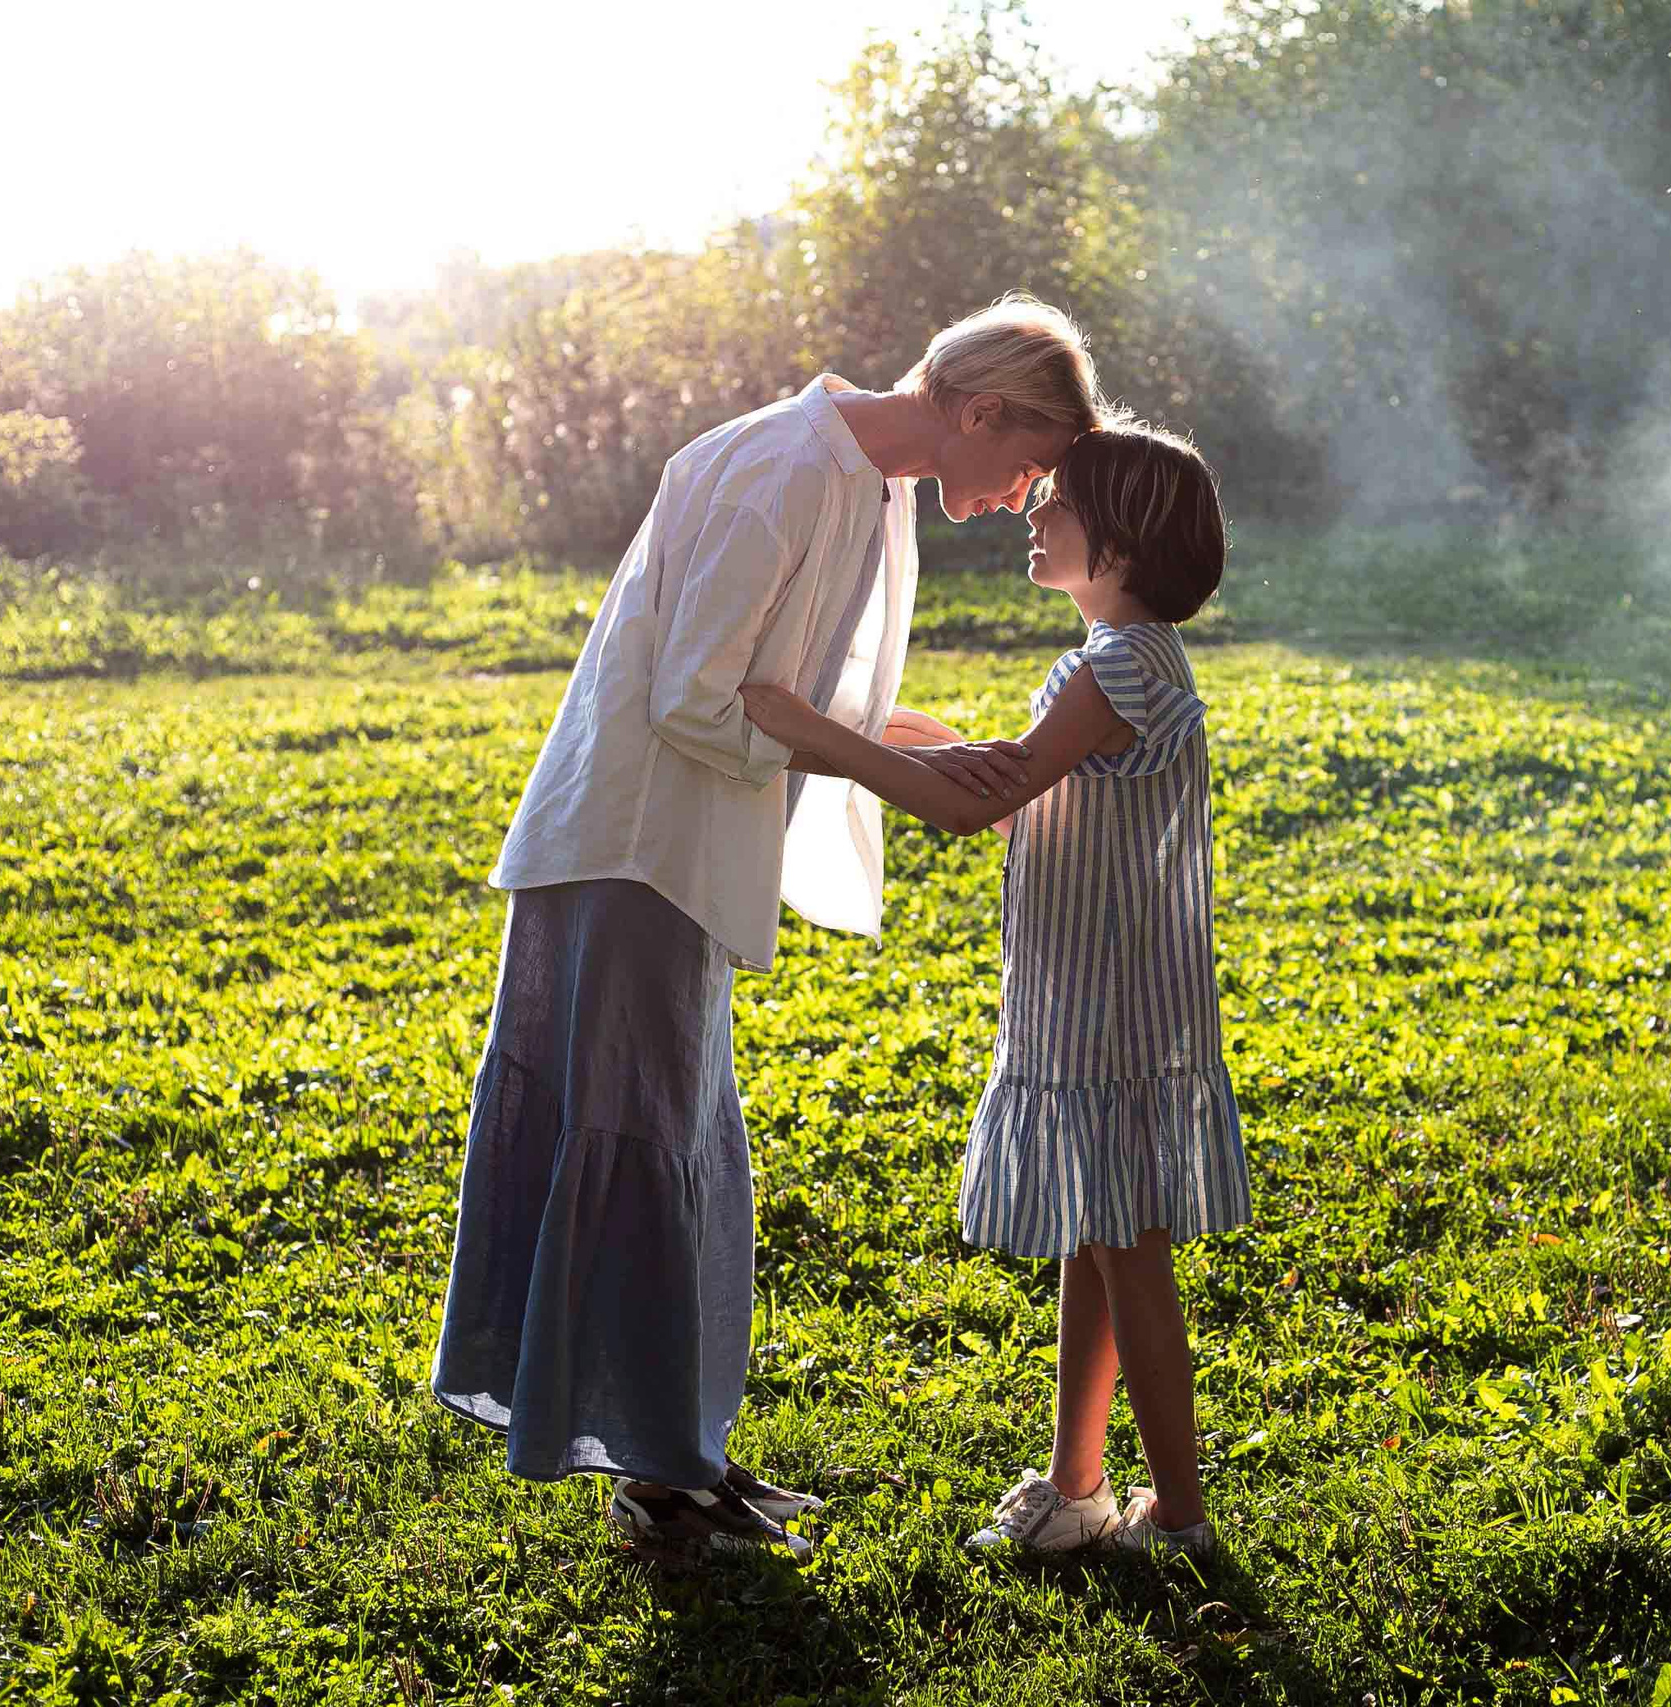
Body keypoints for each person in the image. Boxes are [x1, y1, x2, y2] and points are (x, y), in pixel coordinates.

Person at [429, 295, 1111, 1567]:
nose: (1030, 495)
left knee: (681, 1146)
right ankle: (657, 1484)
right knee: (637, 1144)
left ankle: (676, 1452)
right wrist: (901, 783)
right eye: (1029, 463)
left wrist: (952, 752)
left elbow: (814, 695)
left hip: (684, 854)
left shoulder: (868, 481)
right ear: (978, 413)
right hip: (633, 848)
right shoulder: (781, 470)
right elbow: (701, 698)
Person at [741, 423, 1247, 1558]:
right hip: (1101, 1002)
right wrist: (884, 732)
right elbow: (1013, 772)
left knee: (1131, 1264)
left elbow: (980, 803)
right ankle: (1077, 1490)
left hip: (1108, 1015)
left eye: (1056, 502)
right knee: (1097, 1243)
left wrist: (813, 735)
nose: (1034, 514)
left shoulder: (1117, 666)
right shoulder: (1132, 659)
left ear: (1117, 542)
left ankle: (1178, 1518)